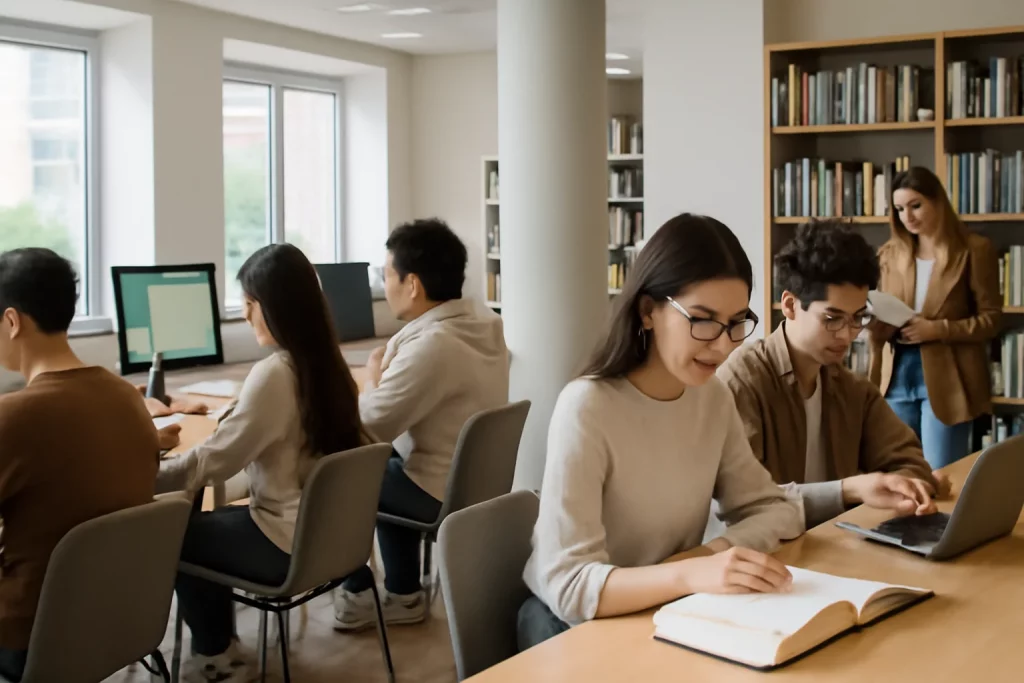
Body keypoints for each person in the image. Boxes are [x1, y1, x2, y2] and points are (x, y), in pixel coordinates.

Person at [517, 213, 805, 651]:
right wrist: (690, 573)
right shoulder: (587, 407)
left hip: (668, 615)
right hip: (575, 631)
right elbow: (570, 586)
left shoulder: (711, 399)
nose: (723, 343)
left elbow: (774, 509)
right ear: (648, 311)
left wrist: (707, 556)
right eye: (703, 320)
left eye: (736, 322)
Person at [159, 244, 369, 683]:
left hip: (286, 543)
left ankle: (218, 657)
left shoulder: (275, 374)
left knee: (178, 532)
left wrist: (148, 474)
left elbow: (213, 463)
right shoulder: (330, 366)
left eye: (248, 304)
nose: (244, 315)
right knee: (210, 520)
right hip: (330, 540)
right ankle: (222, 646)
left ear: (271, 307)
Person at [334, 218, 510, 631]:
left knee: (333, 473)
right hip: (470, 484)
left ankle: (358, 593)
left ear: (412, 284)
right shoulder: (484, 325)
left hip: (436, 490)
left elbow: (368, 426)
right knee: (385, 464)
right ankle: (402, 591)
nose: (385, 284)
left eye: (386, 275)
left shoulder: (433, 346)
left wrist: (374, 373)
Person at [718, 220, 947, 530]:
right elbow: (745, 502)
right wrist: (850, 489)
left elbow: (911, 464)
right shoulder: (742, 380)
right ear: (790, 305)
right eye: (832, 319)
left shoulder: (852, 388)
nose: (847, 336)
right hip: (770, 556)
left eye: (858, 318)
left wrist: (907, 485)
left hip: (835, 547)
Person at [0, 248, 159, 682]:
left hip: (29, 636)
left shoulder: (14, 416)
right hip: (118, 621)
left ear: (13, 322)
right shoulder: (128, 397)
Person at [868, 167, 1002, 468]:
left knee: (941, 474)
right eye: (900, 209)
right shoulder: (889, 254)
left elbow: (992, 319)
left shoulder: (974, 250)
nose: (908, 217)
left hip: (949, 378)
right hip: (896, 374)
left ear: (938, 202)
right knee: (902, 474)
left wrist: (938, 329)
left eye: (916, 205)